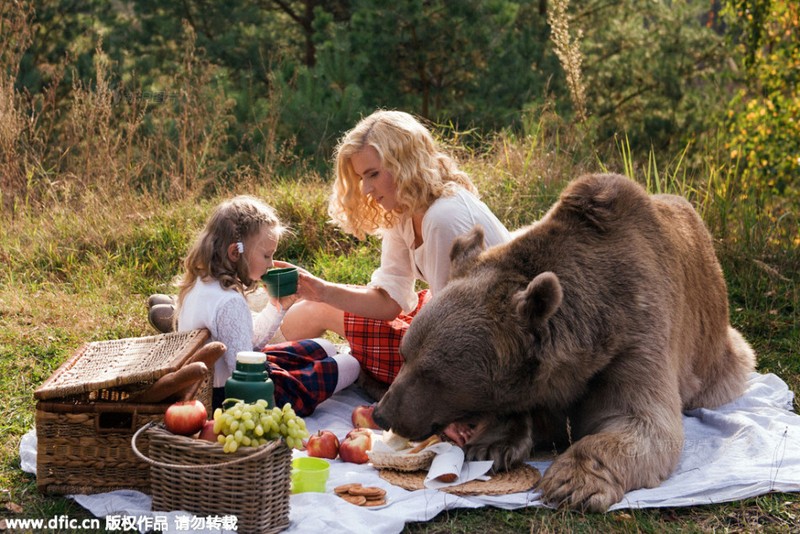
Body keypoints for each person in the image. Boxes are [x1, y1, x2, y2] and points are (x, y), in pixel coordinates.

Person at [278, 110, 512, 418]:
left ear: (405, 164)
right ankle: (263, 360)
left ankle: (261, 367)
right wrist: (321, 290)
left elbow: (452, 333)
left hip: (495, 356)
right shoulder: (405, 210)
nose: (365, 189)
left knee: (320, 315)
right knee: (315, 307)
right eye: (362, 177)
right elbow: (389, 302)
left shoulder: (444, 218)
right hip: (453, 327)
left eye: (373, 174)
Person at [173, 195, 360, 414]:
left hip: (222, 382)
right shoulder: (229, 301)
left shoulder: (199, 283)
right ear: (235, 253)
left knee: (325, 347)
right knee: (350, 364)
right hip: (239, 397)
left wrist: (277, 306)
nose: (271, 264)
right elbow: (245, 374)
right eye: (266, 255)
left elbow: (244, 345)